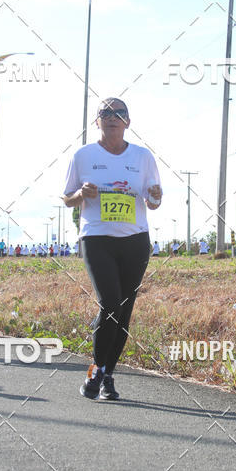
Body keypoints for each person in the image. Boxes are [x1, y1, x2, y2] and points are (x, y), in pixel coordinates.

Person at [63, 98, 162, 401]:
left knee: (123, 311)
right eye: (105, 113)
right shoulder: (83, 155)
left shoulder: (143, 157)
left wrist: (156, 196)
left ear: (128, 122)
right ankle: (95, 371)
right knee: (110, 302)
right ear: (97, 122)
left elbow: (153, 202)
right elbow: (67, 198)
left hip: (135, 240)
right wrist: (81, 193)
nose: (112, 117)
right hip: (97, 238)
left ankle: (108, 375)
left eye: (119, 113)